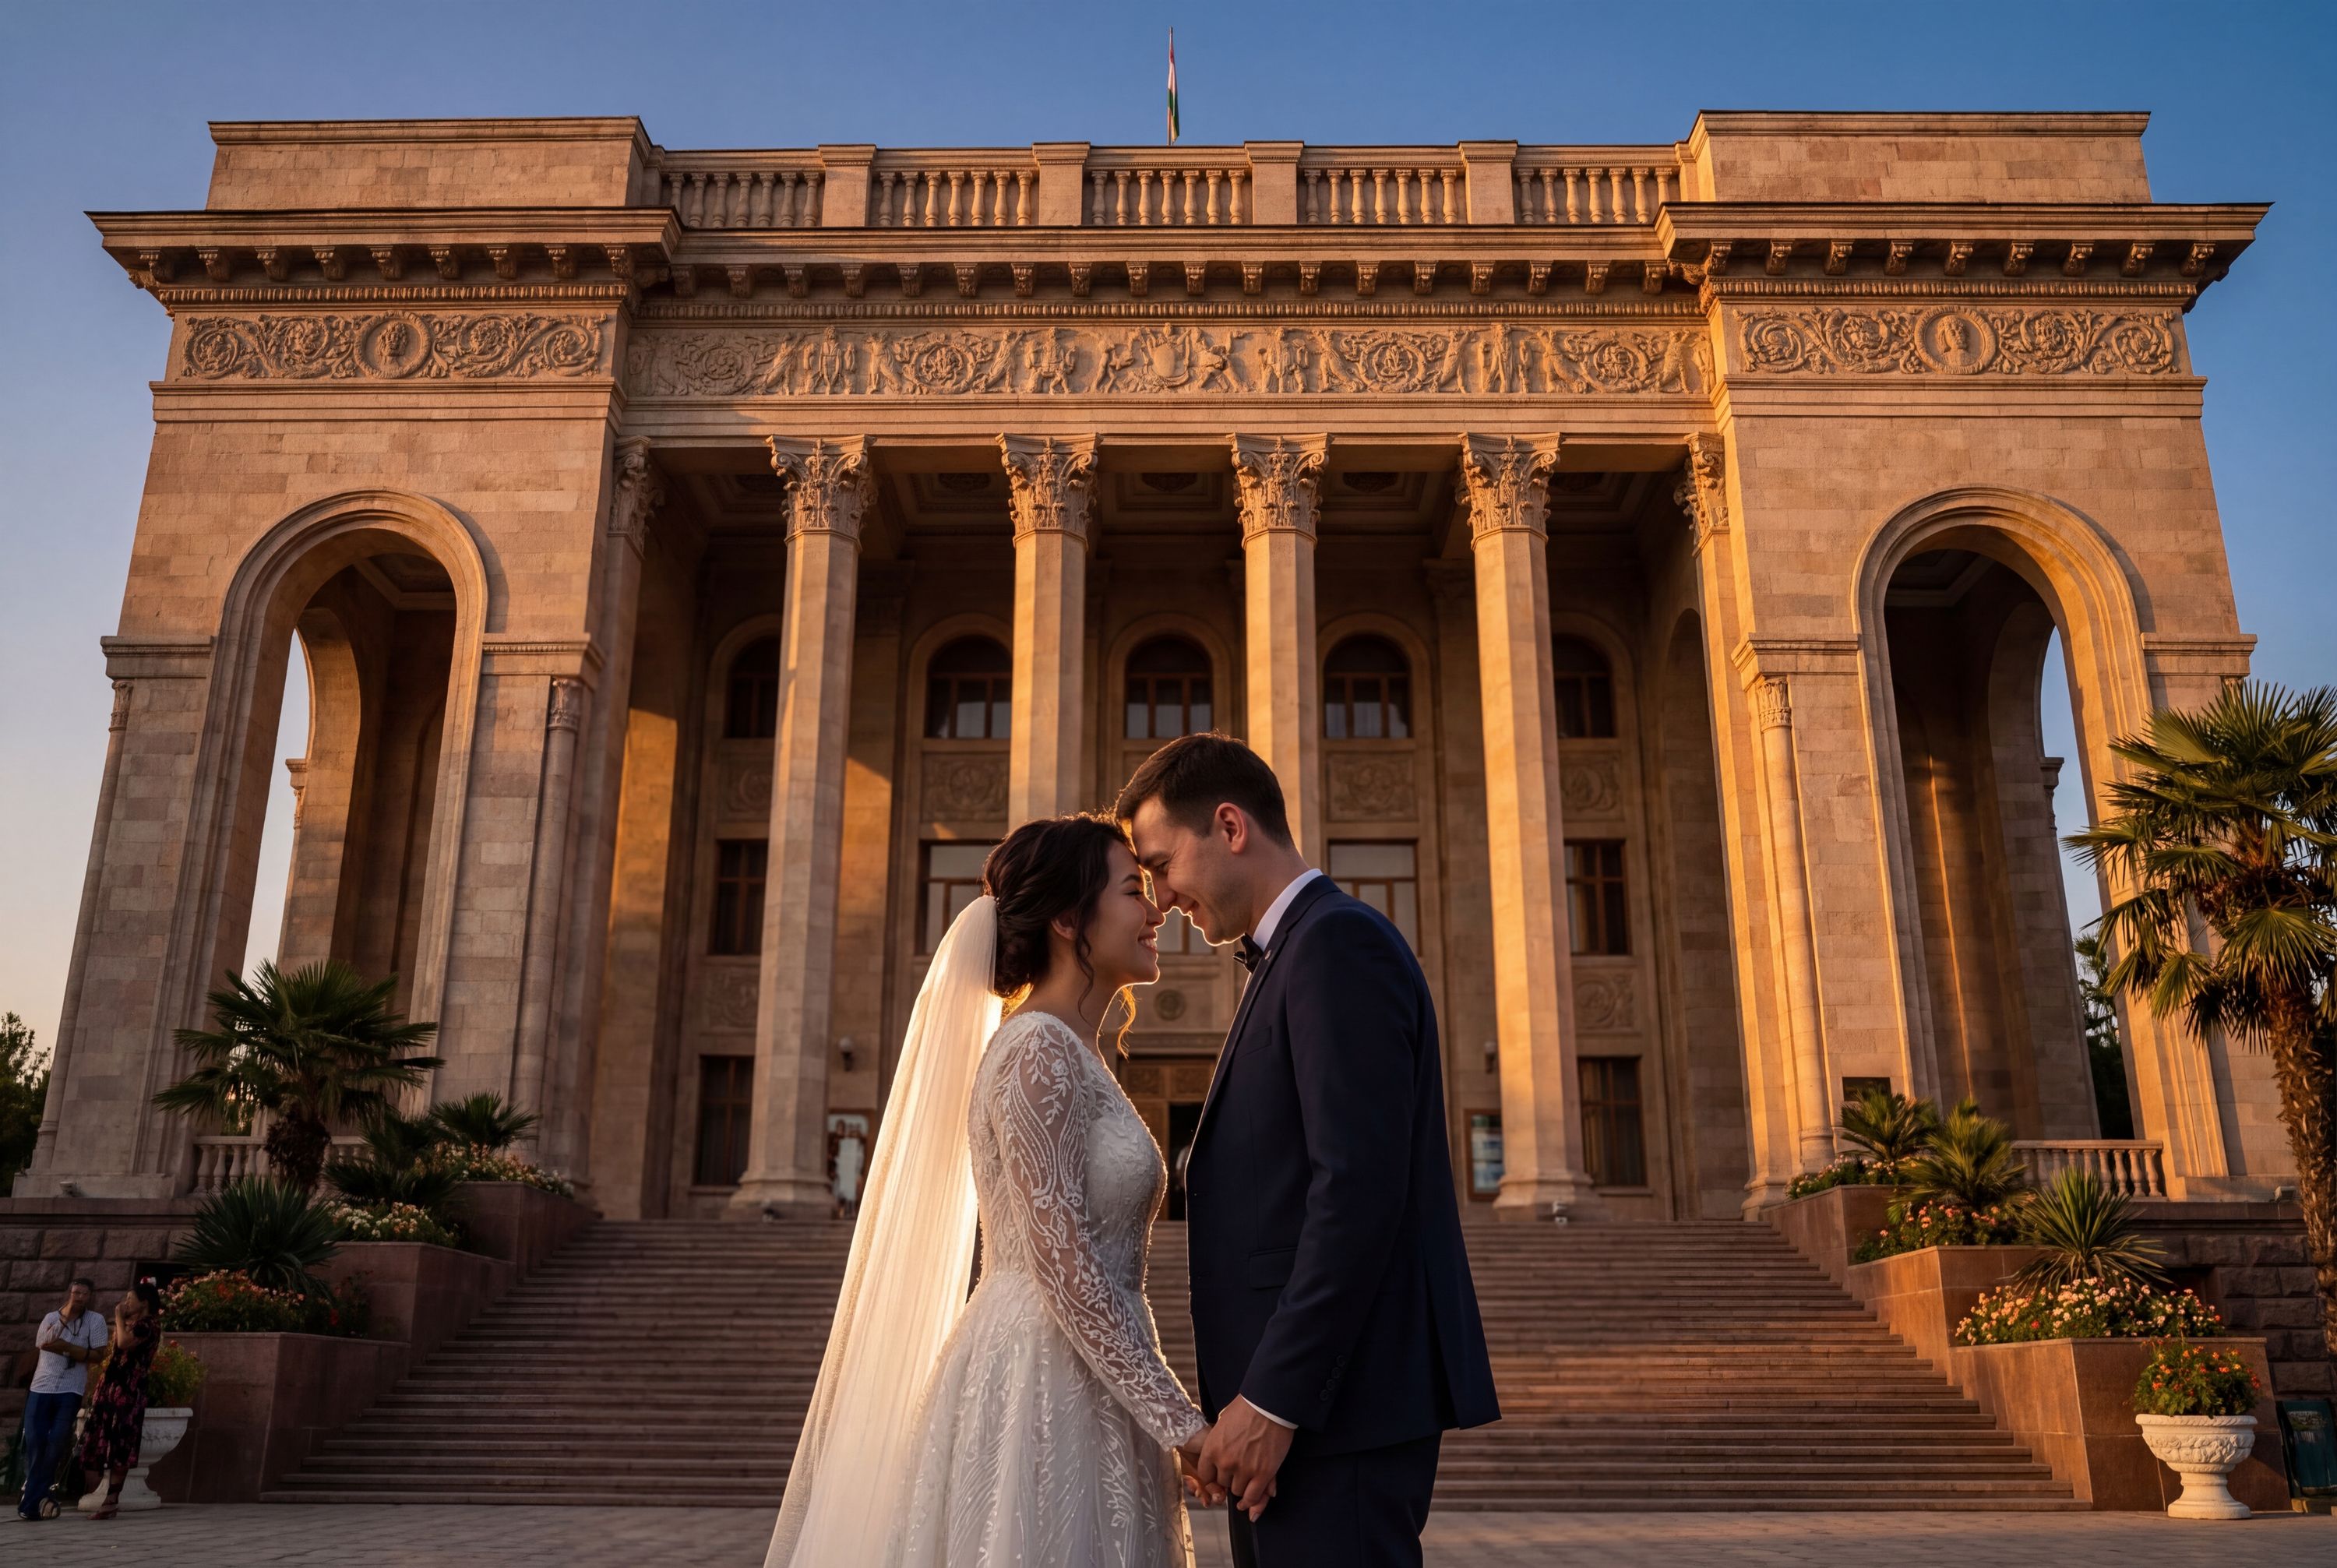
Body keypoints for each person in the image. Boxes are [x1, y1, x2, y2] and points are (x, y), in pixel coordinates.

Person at [767, 813, 1214, 1567]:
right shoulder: (1036, 1048)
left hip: (1097, 1372)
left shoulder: (1072, 1050)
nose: (1155, 911)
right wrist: (1182, 1421)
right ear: (1071, 920)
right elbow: (1060, 1263)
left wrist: (1157, 1412)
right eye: (1133, 891)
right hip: (1041, 1383)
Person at [1119, 733, 1499, 1568]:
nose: (1160, 896)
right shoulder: (1295, 955)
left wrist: (1275, 1402)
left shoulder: (1334, 946)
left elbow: (1356, 1190)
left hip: (1332, 1415)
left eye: (1161, 863)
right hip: (1306, 1423)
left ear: (1229, 826)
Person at [16, 1277, 106, 1522]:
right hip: (42, 1386)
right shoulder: (51, 1318)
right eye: (75, 1292)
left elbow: (98, 1354)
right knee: (35, 1440)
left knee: (56, 1441)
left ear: (90, 1296)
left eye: (84, 1294)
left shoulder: (95, 1321)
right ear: (69, 1293)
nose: (79, 1297)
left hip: (70, 1389)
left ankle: (31, 1500)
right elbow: (44, 1343)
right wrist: (65, 1320)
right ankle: (38, 1495)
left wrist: (66, 1348)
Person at [75, 1280, 163, 1521]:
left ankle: (111, 1500)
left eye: (130, 1299)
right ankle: (101, 1496)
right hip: (112, 1387)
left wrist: (117, 1316)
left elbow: (124, 1343)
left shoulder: (148, 1325)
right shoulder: (133, 1324)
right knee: (100, 1441)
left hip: (129, 1390)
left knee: (122, 1443)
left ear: (143, 1303)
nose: (126, 1303)